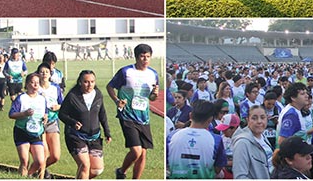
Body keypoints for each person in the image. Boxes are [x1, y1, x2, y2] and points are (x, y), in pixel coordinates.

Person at [107, 44, 159, 179]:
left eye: (148, 56)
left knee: (143, 153)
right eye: (142, 56)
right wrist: (117, 100)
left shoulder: (153, 74)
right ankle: (122, 171)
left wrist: (155, 94)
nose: (145, 59)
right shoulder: (126, 72)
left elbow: (152, 98)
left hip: (144, 116)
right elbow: (110, 86)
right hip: (127, 114)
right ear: (136, 57)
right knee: (136, 151)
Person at [59, 70, 112, 179]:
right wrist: (73, 123)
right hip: (76, 136)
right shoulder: (72, 96)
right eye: (86, 82)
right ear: (80, 82)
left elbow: (102, 114)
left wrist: (107, 132)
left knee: (97, 169)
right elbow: (62, 114)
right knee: (84, 165)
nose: (89, 85)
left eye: (92, 81)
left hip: (94, 137)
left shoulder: (98, 94)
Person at [168, 100, 227, 179]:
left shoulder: (172, 136)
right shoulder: (216, 139)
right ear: (210, 119)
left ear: (190, 116)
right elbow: (218, 169)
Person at [9, 73, 49, 178]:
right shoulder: (21, 98)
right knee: (24, 161)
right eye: (32, 82)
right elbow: (11, 114)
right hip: (22, 131)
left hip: (36, 132)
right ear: (27, 84)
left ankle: (28, 176)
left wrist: (45, 118)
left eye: (37, 83)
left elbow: (45, 113)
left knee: (40, 161)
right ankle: (22, 177)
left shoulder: (42, 99)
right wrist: (24, 114)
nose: (35, 85)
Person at [37, 64, 63, 177]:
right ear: (38, 74)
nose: (44, 74)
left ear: (50, 74)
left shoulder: (55, 87)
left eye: (46, 72)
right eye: (41, 72)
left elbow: (64, 103)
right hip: (39, 123)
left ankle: (35, 169)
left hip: (53, 122)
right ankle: (41, 176)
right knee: (44, 152)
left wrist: (58, 107)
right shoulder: (35, 87)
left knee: (55, 156)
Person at [231, 105, 271, 179]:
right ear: (248, 120)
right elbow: (240, 177)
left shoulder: (263, 137)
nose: (259, 121)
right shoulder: (242, 143)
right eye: (254, 118)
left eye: (262, 117)